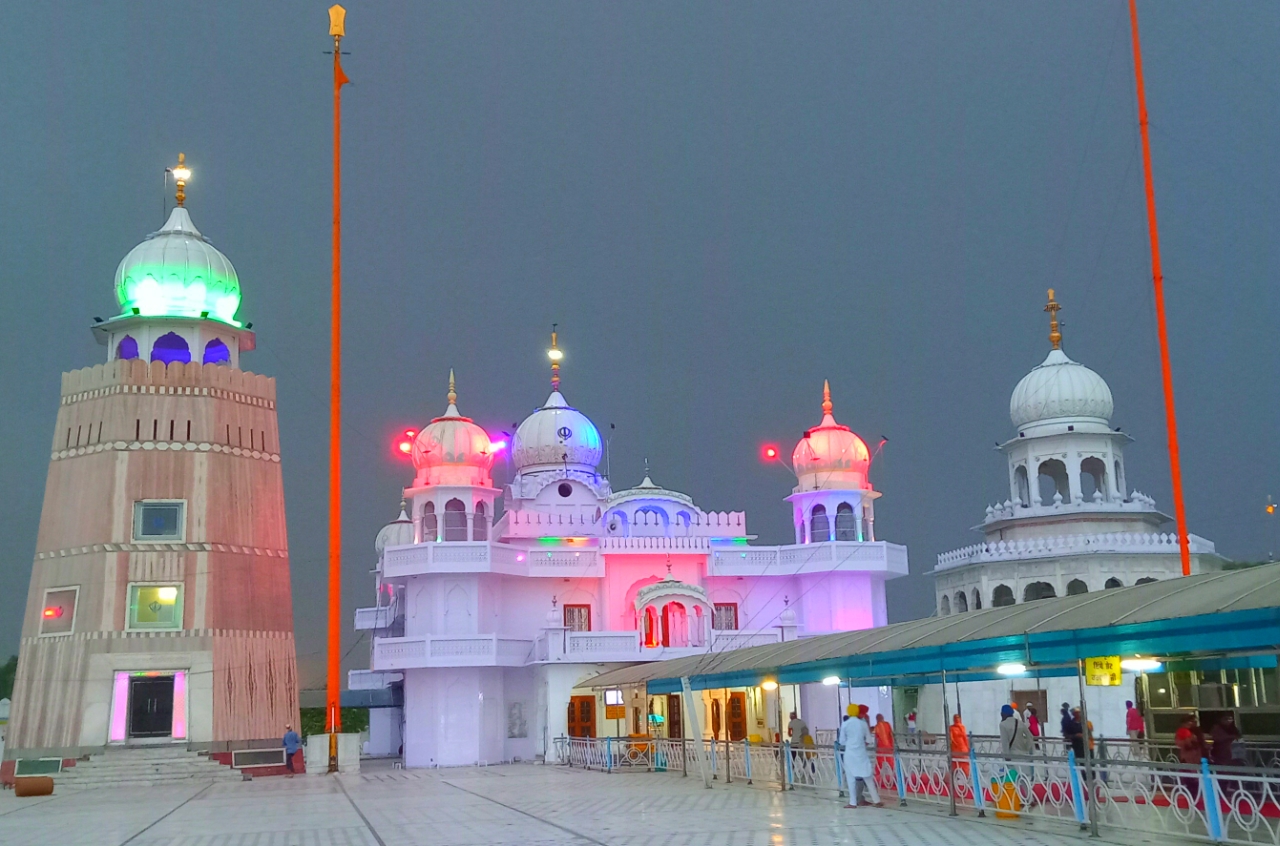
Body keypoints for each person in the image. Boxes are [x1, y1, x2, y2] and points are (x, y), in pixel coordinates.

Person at [838, 704, 883, 808]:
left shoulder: (845, 724)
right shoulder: (863, 724)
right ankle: (876, 800)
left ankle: (853, 802)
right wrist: (861, 744)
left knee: (851, 778)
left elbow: (842, 741)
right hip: (861, 754)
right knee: (867, 777)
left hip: (849, 754)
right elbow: (868, 740)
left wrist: (851, 743)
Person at [873, 713, 895, 781]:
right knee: (890, 761)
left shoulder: (877, 726)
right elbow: (891, 735)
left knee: (879, 761)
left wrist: (875, 748)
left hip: (881, 747)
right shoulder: (887, 724)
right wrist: (893, 745)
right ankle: (892, 776)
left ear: (877, 719)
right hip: (889, 746)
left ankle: (878, 777)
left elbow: (876, 738)